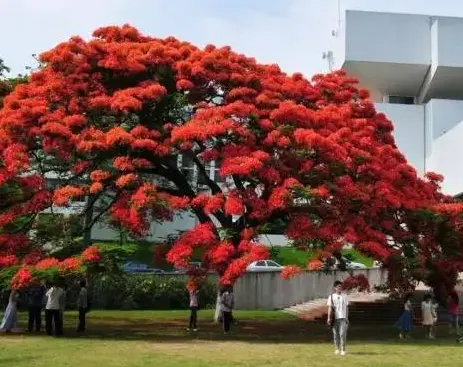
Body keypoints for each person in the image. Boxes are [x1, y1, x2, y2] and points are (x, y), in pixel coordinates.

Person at [327, 280, 349, 356]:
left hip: (343, 318)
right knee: (335, 334)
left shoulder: (345, 296)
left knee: (342, 334)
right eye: (338, 286)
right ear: (335, 288)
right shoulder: (331, 297)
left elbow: (346, 307)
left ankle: (343, 349)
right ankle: (337, 349)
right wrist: (329, 318)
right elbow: (330, 308)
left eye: (341, 286)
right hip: (335, 318)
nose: (340, 288)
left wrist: (347, 318)